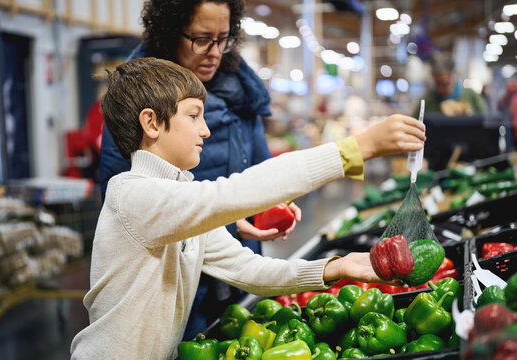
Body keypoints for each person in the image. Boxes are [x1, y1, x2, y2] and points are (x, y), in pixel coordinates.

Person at [70, 57, 426, 359]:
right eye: (194, 116)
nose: (205, 130)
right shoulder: (132, 197)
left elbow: (250, 271)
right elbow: (234, 193)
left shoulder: (177, 198)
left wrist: (335, 268)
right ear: (151, 123)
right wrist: (354, 149)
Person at [98, 0, 302, 338]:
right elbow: (123, 197)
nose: (214, 52)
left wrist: (273, 200)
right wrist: (220, 220)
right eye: (201, 39)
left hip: (236, 259)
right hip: (174, 270)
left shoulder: (242, 92)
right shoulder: (137, 96)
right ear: (169, 32)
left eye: (223, 39)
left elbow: (261, 167)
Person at [413, 52, 488, 118]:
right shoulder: (428, 99)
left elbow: (486, 121)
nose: (440, 89)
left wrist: (470, 118)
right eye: (437, 84)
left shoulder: (471, 96)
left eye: (445, 84)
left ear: (455, 75)